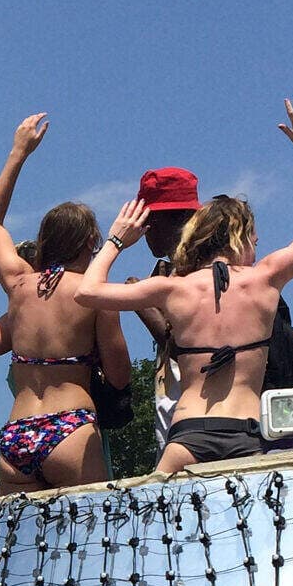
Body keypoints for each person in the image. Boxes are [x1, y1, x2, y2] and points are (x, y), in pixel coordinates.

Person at [76, 98, 293, 473]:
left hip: (186, 434)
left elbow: (86, 292)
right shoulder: (265, 279)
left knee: (160, 526)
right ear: (242, 237)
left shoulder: (172, 289)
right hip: (247, 432)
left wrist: (116, 240)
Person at [0, 113, 131, 491]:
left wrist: (18, 153)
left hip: (17, 431)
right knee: (90, 543)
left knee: (23, 548)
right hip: (70, 426)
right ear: (90, 243)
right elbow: (120, 377)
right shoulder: (94, 295)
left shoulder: (19, 284)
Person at [130, 167, 203, 452]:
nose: (145, 231)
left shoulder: (202, 271)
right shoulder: (170, 272)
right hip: (175, 421)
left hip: (197, 429)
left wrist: (147, 305)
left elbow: (190, 349)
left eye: (151, 221)